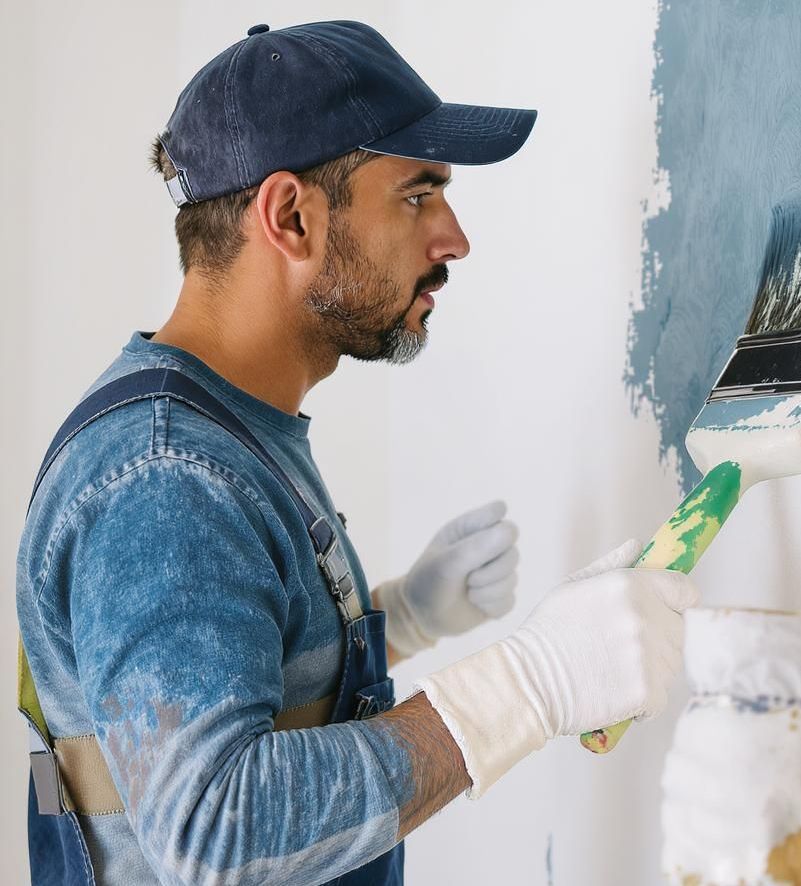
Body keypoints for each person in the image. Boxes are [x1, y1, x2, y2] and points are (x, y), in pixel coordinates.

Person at [16, 19, 698, 886]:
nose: (452, 239)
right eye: (417, 194)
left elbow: (223, 689)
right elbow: (214, 826)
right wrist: (526, 686)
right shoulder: (167, 477)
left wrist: (400, 619)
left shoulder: (223, 434)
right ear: (291, 216)